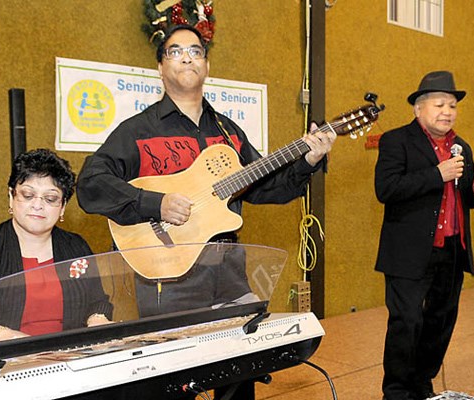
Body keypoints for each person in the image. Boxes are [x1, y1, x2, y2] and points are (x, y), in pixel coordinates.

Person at [76, 24, 336, 316]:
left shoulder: (229, 133)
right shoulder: (137, 130)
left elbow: (267, 187)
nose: (187, 58)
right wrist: (155, 204)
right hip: (169, 276)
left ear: (207, 65)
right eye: (175, 51)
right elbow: (91, 182)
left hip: (230, 275)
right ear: (160, 68)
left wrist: (308, 160)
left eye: (195, 51)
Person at [374, 71, 474, 400]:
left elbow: (467, 197)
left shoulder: (461, 147)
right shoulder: (396, 141)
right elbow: (386, 189)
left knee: (441, 322)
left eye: (452, 105)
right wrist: (435, 174)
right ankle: (397, 391)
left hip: (452, 249)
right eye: (440, 104)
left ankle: (422, 382)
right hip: (409, 251)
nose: (448, 111)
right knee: (406, 321)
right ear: (418, 109)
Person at [0, 148, 113, 357]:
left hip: (67, 361)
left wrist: (98, 321)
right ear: (11, 196)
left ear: (62, 207)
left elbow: (97, 300)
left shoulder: (76, 247)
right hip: (0, 363)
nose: (37, 205)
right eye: (28, 195)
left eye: (50, 199)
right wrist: (15, 343)